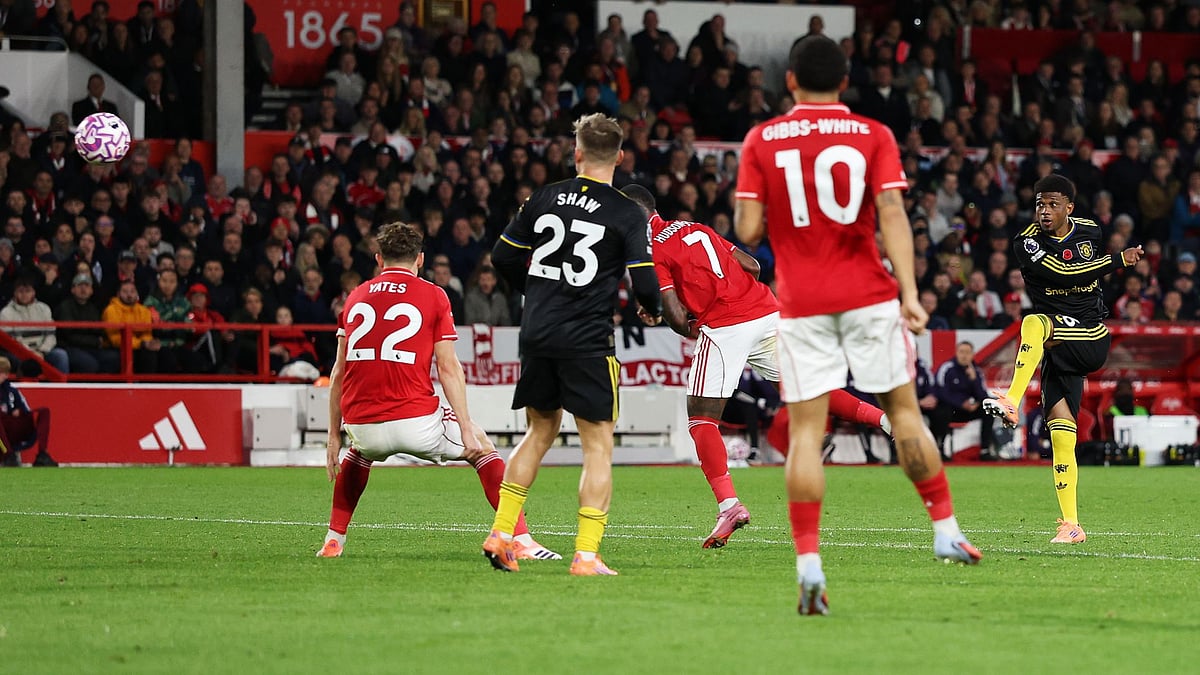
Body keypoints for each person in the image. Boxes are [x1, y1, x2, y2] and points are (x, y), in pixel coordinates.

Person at [734, 35, 982, 615]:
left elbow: (746, 229)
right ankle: (945, 531)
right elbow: (892, 212)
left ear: (790, 81)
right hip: (868, 297)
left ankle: (809, 566)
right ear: (845, 82)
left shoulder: (762, 139)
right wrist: (911, 292)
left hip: (802, 304)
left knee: (804, 432)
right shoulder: (874, 134)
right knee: (904, 414)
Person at [621, 183, 890, 547]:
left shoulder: (651, 249)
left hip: (725, 326)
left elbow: (672, 311)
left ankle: (729, 505)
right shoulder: (695, 227)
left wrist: (687, 324)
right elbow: (753, 265)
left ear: (632, 213)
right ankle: (885, 420)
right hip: (765, 311)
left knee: (701, 418)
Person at [485, 113, 663, 576]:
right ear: (619, 157)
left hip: (538, 332)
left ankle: (502, 533)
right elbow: (646, 284)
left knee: (537, 433)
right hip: (587, 339)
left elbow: (502, 256)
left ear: (577, 152)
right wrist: (654, 310)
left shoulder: (543, 196)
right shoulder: (626, 211)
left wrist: (538, 291)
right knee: (597, 447)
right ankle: (585, 554)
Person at [318, 223, 558, 561]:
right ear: (420, 259)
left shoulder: (355, 296)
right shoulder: (433, 295)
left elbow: (338, 372)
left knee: (360, 452)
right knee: (482, 447)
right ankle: (519, 538)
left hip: (361, 424)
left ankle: (333, 540)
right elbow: (448, 367)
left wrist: (333, 435)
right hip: (415, 421)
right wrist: (465, 428)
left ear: (379, 259)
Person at [983, 174, 1144, 545]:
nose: (1044, 211)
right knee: (1061, 434)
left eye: (1053, 204)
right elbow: (1065, 274)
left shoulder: (1090, 230)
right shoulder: (1026, 242)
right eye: (1040, 204)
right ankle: (1071, 525)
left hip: (1090, 335)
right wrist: (1117, 261)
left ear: (1069, 207)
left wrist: (1111, 260)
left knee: (1033, 322)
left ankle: (1011, 399)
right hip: (1058, 345)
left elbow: (1083, 272)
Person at [930, 341, 996, 460]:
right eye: (961, 352)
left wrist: (974, 380)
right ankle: (939, 450)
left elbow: (983, 396)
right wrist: (961, 403)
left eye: (968, 352)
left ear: (972, 355)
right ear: (956, 353)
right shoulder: (947, 368)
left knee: (989, 409)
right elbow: (941, 392)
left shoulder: (976, 372)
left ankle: (985, 449)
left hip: (969, 410)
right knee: (941, 411)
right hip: (951, 409)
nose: (964, 356)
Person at [1, 277, 70, 374]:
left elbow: (51, 335)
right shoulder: (6, 313)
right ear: (15, 293)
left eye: (28, 291)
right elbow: (11, 340)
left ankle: (61, 384)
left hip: (43, 351)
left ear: (33, 292)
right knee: (14, 360)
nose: (24, 295)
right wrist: (30, 353)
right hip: (20, 353)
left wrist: (42, 351)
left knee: (61, 355)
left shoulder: (44, 309)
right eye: (21, 291)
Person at [0, 357, 56, 467]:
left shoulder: (12, 391)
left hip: (11, 428)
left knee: (43, 412)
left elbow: (25, 411)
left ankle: (42, 454)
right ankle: (8, 455)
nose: (4, 375)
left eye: (4, 372)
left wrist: (20, 412)